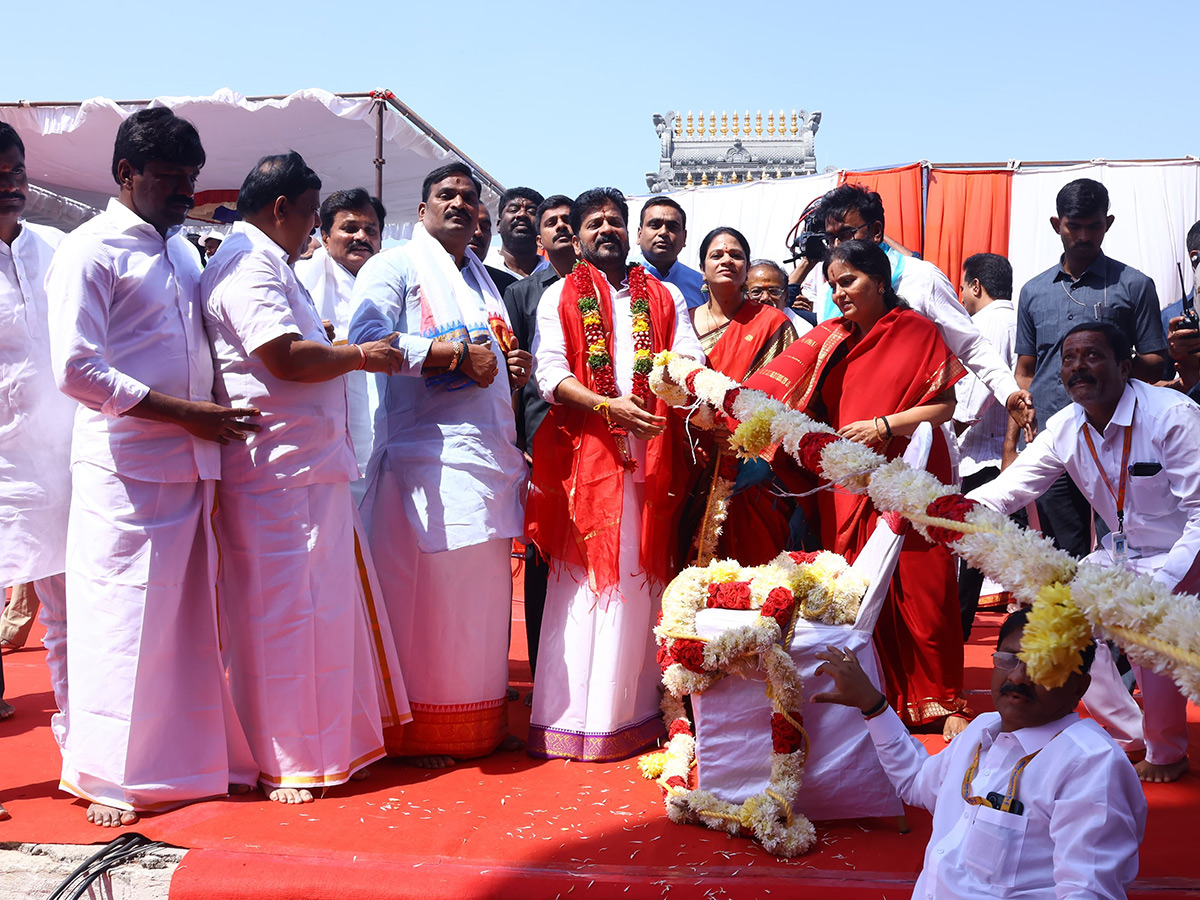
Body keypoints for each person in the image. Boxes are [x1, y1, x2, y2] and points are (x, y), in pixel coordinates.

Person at [47, 108, 261, 826]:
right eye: (170, 179)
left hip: (193, 462)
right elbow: (76, 370)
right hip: (126, 468)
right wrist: (184, 413)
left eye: (191, 180)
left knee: (186, 622)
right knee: (120, 619)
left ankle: (191, 764)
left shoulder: (182, 251)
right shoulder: (89, 250)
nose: (183, 194)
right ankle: (106, 775)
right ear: (125, 174)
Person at [201, 152, 410, 804]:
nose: (315, 230)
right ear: (281, 208)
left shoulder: (268, 261)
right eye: (312, 215)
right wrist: (357, 354)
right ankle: (281, 759)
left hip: (302, 470)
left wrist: (331, 345)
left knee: (312, 615)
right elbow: (282, 357)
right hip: (277, 474)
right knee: (282, 620)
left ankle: (312, 750)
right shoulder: (250, 262)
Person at [742, 240, 970, 738]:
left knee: (923, 587)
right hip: (845, 482)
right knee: (857, 588)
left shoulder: (916, 330)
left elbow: (946, 405)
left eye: (849, 281)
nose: (839, 292)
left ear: (880, 280)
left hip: (908, 472)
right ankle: (871, 692)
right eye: (833, 284)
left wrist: (886, 426)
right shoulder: (829, 339)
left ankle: (941, 698)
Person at [348, 162, 530, 769]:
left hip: (485, 462)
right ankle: (417, 732)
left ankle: (475, 725)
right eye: (445, 195)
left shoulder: (481, 277)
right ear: (422, 208)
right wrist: (452, 357)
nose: (458, 203)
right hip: (424, 464)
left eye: (468, 197)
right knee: (428, 604)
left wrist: (508, 364)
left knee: (476, 607)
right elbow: (367, 341)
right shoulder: (393, 264)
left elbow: (489, 354)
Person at [970, 321, 1196, 783]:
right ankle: (1130, 732)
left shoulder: (1172, 415)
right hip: (1117, 558)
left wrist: (1160, 589)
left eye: (1091, 355)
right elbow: (1008, 491)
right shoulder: (1066, 426)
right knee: (1055, 619)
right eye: (1069, 359)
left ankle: (1167, 750)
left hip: (1183, 556)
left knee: (1142, 622)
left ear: (1125, 365)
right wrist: (950, 507)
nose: (1077, 367)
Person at [526, 187, 703, 761]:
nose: (606, 228)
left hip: (653, 458)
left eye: (614, 221)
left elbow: (690, 364)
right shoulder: (559, 293)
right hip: (588, 461)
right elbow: (547, 375)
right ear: (575, 235)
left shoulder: (668, 294)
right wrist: (606, 406)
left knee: (638, 583)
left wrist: (671, 394)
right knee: (582, 587)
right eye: (594, 222)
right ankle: (572, 718)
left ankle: (632, 714)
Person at [813, 609, 1146, 899]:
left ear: (1079, 686)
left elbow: (1086, 892)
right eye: (1008, 659)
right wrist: (872, 706)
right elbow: (916, 782)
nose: (1018, 676)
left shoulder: (1090, 766)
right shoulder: (984, 728)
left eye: (1044, 665)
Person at [812, 184, 1034, 446]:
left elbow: (971, 345)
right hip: (848, 435)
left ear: (876, 231)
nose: (838, 245)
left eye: (848, 234)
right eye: (831, 238)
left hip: (915, 442)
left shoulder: (921, 278)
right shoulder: (829, 288)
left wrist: (1008, 393)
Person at [1013, 178, 1166, 559]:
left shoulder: (1134, 285)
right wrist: (1021, 423)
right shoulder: (1033, 291)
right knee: (1059, 556)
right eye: (1074, 226)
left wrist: (1116, 363)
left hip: (1118, 441)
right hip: (1055, 440)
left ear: (1108, 223)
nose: (1084, 236)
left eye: (1094, 226)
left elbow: (1157, 362)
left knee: (1123, 550)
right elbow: (1026, 367)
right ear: (1056, 224)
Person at [0, 122, 75, 738]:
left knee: (73, 616)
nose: (10, 185)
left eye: (16, 172)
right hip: (1, 469)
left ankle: (87, 750)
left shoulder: (56, 248)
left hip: (62, 462)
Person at [683, 229, 797, 566]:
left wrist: (748, 448)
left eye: (736, 255)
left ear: (746, 268)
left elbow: (788, 397)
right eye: (717, 255)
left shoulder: (772, 323)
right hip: (692, 458)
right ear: (702, 269)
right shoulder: (683, 322)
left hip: (751, 468)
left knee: (750, 571)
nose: (726, 260)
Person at [502, 193, 575, 682]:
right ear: (542, 238)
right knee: (541, 549)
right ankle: (541, 673)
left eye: (571, 221)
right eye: (552, 223)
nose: (562, 228)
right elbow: (518, 373)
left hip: (599, 437)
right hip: (541, 440)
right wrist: (521, 439)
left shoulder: (613, 290)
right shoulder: (524, 295)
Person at [294, 188, 387, 498]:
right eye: (349, 228)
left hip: (385, 428)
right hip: (323, 435)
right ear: (324, 236)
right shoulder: (301, 280)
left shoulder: (391, 282)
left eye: (370, 230)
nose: (361, 236)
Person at [953, 253, 1019, 639]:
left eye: (963, 287)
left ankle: (958, 628)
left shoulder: (987, 323)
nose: (961, 296)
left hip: (983, 454)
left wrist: (950, 428)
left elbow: (980, 388)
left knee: (970, 551)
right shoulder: (1018, 318)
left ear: (976, 285)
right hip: (1008, 451)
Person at [633, 196, 705, 308]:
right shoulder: (619, 277)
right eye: (655, 225)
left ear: (684, 237)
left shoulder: (702, 286)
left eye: (672, 227)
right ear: (639, 234)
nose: (663, 232)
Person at [493, 186, 548, 279]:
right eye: (514, 210)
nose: (522, 214)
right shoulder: (481, 267)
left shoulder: (555, 274)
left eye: (531, 211)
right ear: (498, 225)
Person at [747, 258, 812, 335]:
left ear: (786, 296)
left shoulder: (803, 331)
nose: (765, 297)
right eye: (756, 292)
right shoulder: (733, 322)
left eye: (773, 291)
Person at [469, 203, 517, 295]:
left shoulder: (507, 287)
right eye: (470, 223)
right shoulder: (434, 276)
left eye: (485, 227)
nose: (478, 232)